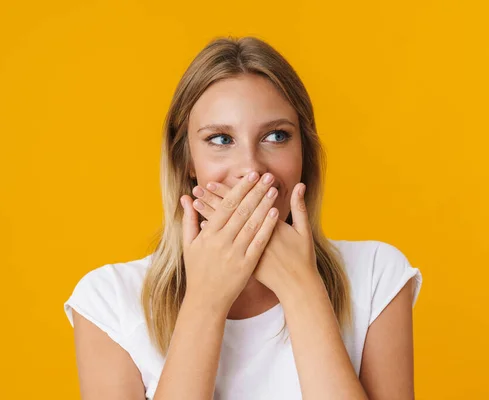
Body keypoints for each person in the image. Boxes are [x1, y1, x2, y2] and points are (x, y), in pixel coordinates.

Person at [63, 35, 423, 400]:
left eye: (276, 136)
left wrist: (302, 290)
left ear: (304, 154)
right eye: (220, 139)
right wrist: (206, 299)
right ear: (186, 162)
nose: (250, 169)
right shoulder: (109, 302)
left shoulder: (377, 276)